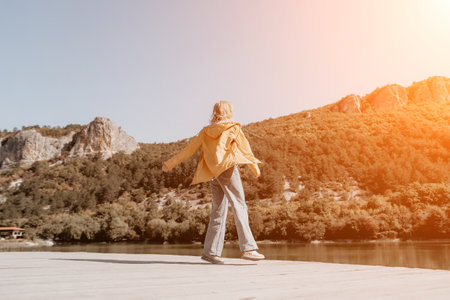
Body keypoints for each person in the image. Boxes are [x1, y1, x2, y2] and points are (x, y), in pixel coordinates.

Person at [162, 100, 265, 264]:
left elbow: (189, 149)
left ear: (215, 113)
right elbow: (245, 149)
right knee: (239, 205)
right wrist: (255, 167)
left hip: (213, 173)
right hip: (228, 169)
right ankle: (248, 248)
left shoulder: (205, 131)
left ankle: (210, 251)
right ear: (229, 111)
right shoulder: (233, 127)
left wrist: (170, 164)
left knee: (218, 210)